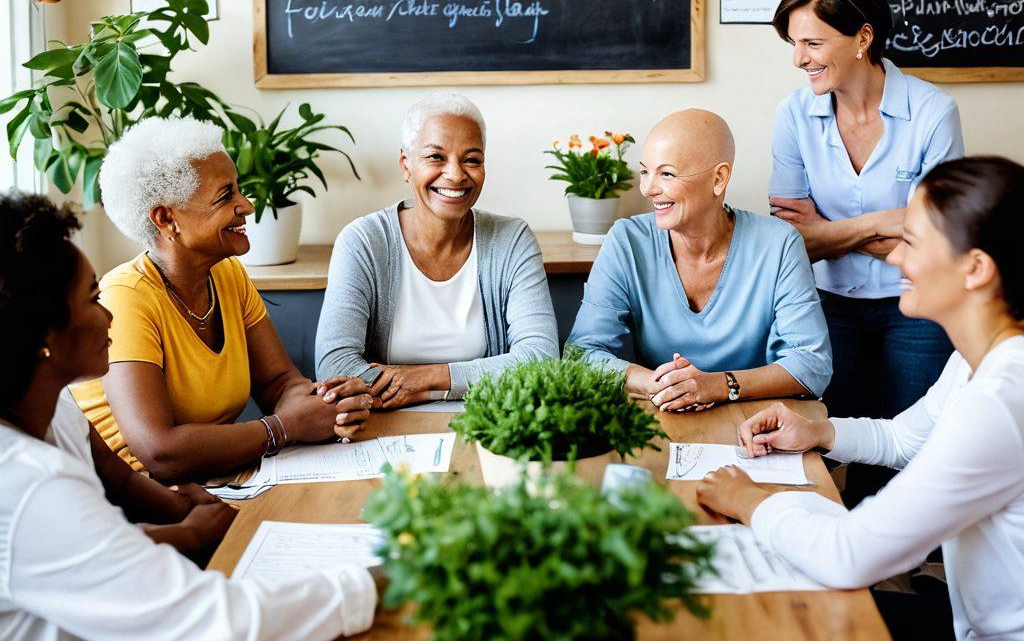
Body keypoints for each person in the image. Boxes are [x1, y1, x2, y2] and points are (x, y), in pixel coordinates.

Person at [0, 192, 378, 641]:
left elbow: (117, 480)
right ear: (43, 339)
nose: (106, 313)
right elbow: (220, 627)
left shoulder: (49, 405)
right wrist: (381, 582)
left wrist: (179, 513)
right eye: (89, 299)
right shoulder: (29, 487)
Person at [697, 156, 1024, 641]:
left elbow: (852, 554)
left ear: (975, 268)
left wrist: (751, 502)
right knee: (811, 627)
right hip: (975, 633)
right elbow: (907, 438)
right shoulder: (980, 358)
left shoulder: (1003, 397)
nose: (895, 257)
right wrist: (818, 432)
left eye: (912, 243)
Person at [71, 116, 372, 481]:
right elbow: (158, 451)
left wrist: (324, 400)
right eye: (226, 195)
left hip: (220, 482)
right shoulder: (127, 298)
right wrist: (284, 427)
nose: (246, 205)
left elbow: (279, 381)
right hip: (143, 503)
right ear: (166, 219)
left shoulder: (227, 274)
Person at [769, 0, 964, 422]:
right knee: (836, 443)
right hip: (826, 305)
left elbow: (936, 248)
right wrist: (882, 222)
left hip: (917, 306)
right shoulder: (793, 115)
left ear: (862, 39)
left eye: (812, 43)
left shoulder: (933, 114)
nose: (799, 60)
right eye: (794, 44)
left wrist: (829, 231)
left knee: (911, 446)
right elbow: (791, 243)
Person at [567, 109, 831, 411]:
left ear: (718, 178)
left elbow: (812, 365)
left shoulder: (779, 244)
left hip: (757, 421)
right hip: (663, 414)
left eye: (666, 173)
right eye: (645, 171)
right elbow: (581, 353)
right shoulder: (627, 240)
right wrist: (658, 383)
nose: (647, 188)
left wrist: (719, 385)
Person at [315, 92, 559, 408]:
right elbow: (335, 365)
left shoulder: (511, 240)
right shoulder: (363, 241)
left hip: (490, 421)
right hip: (384, 427)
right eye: (435, 157)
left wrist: (426, 379)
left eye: (471, 159)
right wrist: (445, 385)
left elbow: (541, 359)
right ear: (406, 165)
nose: (456, 175)